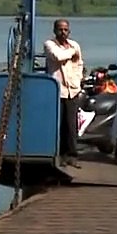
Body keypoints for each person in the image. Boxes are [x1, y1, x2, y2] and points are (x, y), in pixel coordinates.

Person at [44, 18, 84, 167]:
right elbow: (58, 57)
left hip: (72, 90)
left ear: (69, 31)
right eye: (60, 29)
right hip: (57, 89)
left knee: (71, 125)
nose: (63, 32)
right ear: (55, 31)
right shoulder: (49, 45)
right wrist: (72, 52)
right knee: (59, 124)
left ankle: (72, 156)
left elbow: (79, 63)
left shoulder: (75, 45)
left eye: (65, 29)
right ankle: (59, 155)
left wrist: (78, 79)